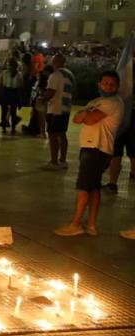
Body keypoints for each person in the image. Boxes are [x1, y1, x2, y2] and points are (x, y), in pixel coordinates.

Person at [53, 71, 124, 236]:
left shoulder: (114, 102)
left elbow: (89, 120)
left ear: (118, 86)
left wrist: (86, 114)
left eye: (112, 83)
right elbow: (76, 119)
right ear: (99, 84)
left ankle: (76, 223)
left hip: (97, 149)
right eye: (105, 83)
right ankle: (91, 224)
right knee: (94, 187)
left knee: (83, 187)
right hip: (91, 148)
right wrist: (86, 114)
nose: (108, 86)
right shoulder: (97, 101)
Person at [41, 54, 75, 170]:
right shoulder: (70, 75)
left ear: (54, 61)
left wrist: (42, 99)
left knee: (53, 135)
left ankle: (54, 161)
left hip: (55, 109)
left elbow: (51, 92)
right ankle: (63, 160)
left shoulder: (55, 75)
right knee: (62, 134)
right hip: (66, 108)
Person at [0, 57, 23, 134]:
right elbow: (20, 86)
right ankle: (13, 129)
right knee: (13, 111)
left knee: (4, 111)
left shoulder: (3, 73)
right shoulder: (19, 75)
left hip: (6, 92)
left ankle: (4, 128)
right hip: (14, 93)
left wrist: (0, 94)